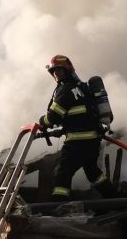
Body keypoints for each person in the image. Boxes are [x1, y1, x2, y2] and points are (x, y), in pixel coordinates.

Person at [38, 55, 114, 201]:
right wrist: (65, 128)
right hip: (93, 141)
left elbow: (52, 118)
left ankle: (60, 208)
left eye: (59, 71)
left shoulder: (65, 90)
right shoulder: (83, 88)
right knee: (93, 173)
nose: (55, 74)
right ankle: (114, 199)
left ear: (67, 71)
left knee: (62, 173)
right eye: (53, 72)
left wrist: (41, 121)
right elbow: (81, 116)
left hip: (77, 143)